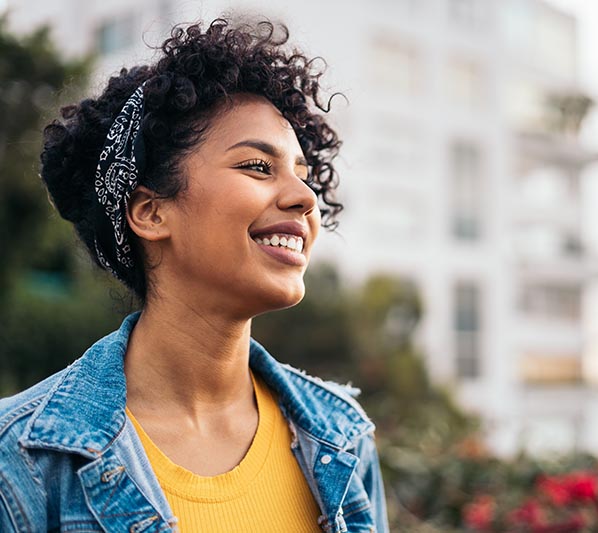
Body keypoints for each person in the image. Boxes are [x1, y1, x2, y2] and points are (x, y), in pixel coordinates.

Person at [0, 18, 389, 533]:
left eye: (303, 173)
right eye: (256, 166)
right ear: (150, 212)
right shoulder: (22, 461)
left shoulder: (344, 438)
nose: (305, 198)